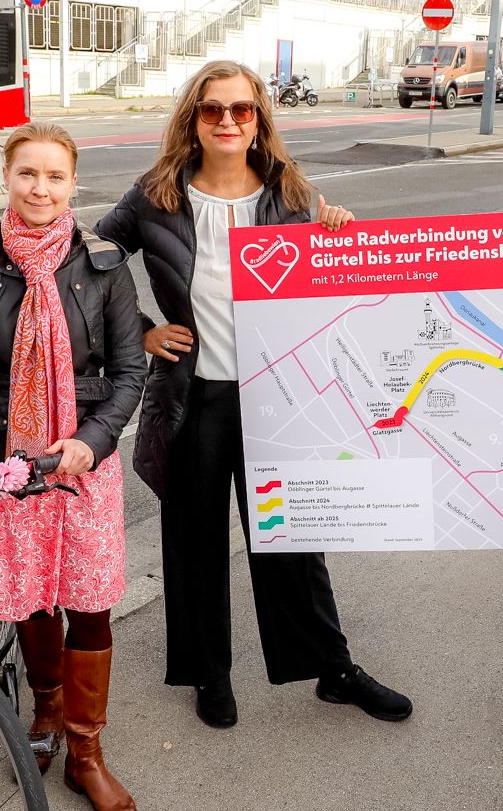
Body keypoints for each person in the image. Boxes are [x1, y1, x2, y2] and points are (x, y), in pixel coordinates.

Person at [97, 60, 411, 729]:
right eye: (213, 110)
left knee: (293, 539)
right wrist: (145, 332)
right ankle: (210, 673)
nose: (229, 121)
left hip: (279, 395)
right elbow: (91, 260)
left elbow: (329, 297)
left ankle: (333, 668)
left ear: (259, 119)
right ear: (194, 120)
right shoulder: (155, 196)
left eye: (242, 109)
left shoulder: (293, 196)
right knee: (195, 541)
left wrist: (341, 242)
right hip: (195, 396)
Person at [0, 120, 147, 811]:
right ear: (5, 177)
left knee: (88, 599)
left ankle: (87, 749)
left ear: (73, 183)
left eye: (54, 176)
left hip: (81, 460)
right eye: (27, 174)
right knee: (34, 598)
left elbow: (131, 371)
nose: (40, 187)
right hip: (4, 456)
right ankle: (45, 709)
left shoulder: (103, 261)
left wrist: (92, 440)